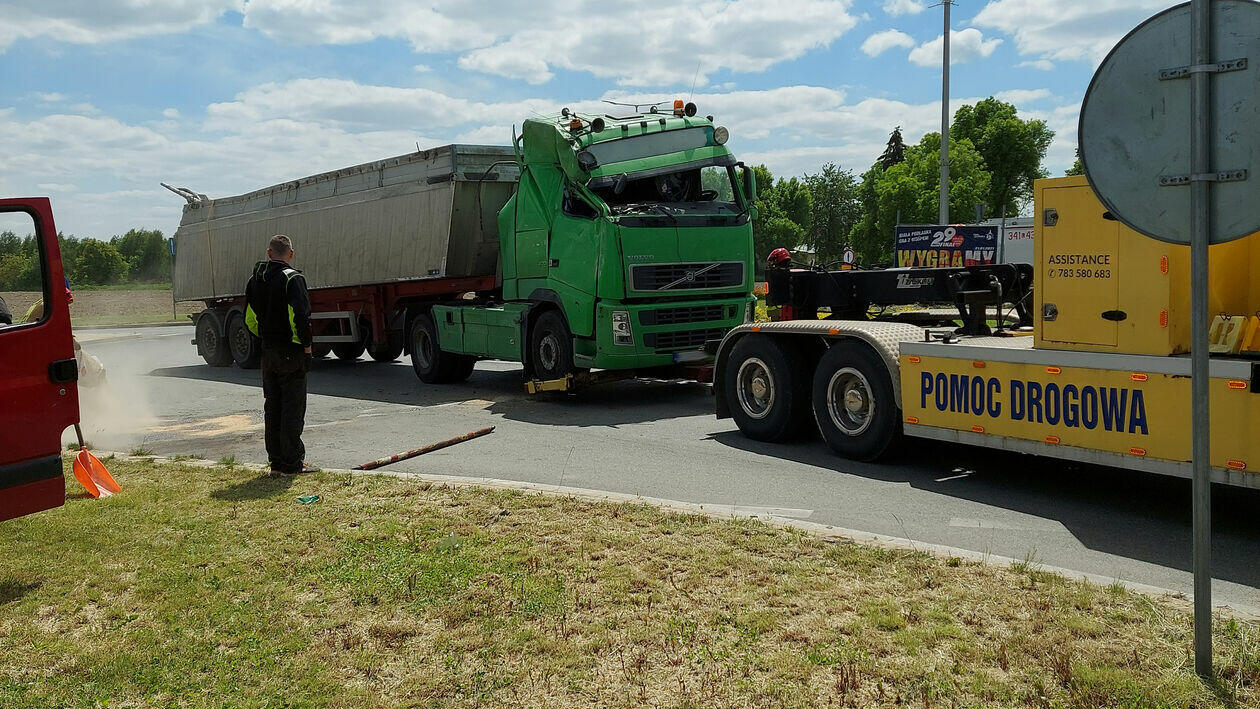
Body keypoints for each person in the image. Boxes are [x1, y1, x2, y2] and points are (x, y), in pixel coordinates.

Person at [244, 235, 316, 475]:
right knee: (292, 408)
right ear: (291, 254)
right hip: (290, 352)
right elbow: (300, 317)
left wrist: (266, 338)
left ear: (269, 253)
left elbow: (250, 319)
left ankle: (275, 463)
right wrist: (306, 346)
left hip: (268, 352)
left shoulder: (254, 280)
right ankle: (292, 463)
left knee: (272, 407)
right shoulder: (293, 279)